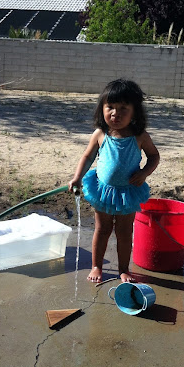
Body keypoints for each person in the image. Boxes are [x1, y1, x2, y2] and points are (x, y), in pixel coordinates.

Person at [69, 79, 160, 284]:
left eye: (123, 109)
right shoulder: (100, 134)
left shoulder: (139, 136)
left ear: (134, 112)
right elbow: (88, 157)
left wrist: (144, 173)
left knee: (124, 232)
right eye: (110, 107)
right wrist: (77, 177)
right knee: (102, 229)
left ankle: (123, 269)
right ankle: (97, 266)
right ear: (101, 108)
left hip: (128, 192)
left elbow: (154, 156)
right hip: (103, 190)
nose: (115, 114)